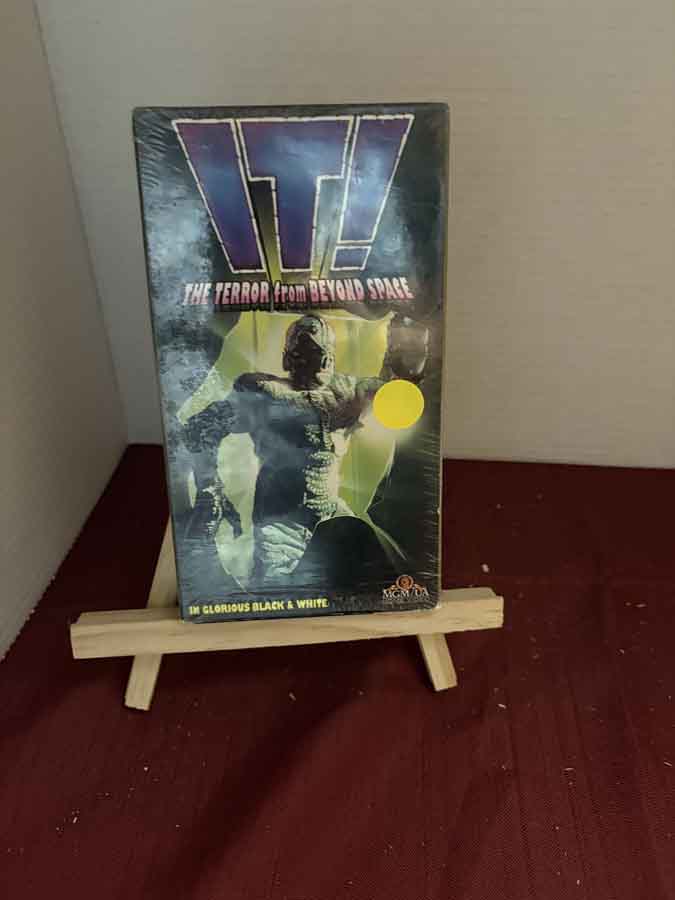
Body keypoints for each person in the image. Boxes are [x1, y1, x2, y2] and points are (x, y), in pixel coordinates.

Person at [183, 312, 428, 586]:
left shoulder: (348, 392)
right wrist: (209, 491)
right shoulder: (265, 393)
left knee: (382, 572)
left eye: (322, 352)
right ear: (289, 358)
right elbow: (198, 428)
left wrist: (405, 349)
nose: (319, 360)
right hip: (282, 523)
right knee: (280, 593)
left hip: (331, 512)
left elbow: (400, 391)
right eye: (308, 351)